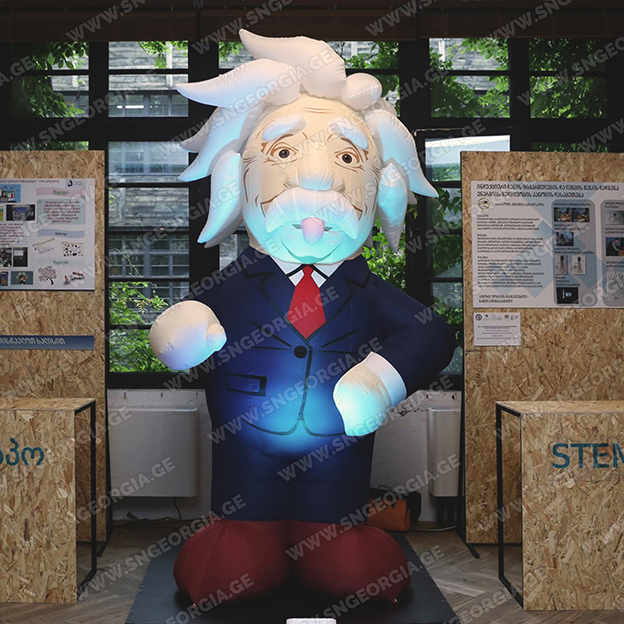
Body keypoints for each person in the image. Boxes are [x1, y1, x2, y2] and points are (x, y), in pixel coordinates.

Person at [150, 30, 454, 605]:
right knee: (233, 563)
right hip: (245, 457)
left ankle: (330, 537)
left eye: (347, 159)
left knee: (343, 563)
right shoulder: (236, 286)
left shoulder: (366, 291)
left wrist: (381, 379)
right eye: (284, 154)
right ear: (240, 178)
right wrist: (180, 333)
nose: (318, 179)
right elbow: (189, 318)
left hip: (336, 463)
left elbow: (430, 333)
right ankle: (246, 535)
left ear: (378, 186)